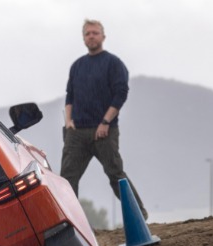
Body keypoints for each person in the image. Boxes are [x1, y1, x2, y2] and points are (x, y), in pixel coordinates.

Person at [60, 19, 148, 220]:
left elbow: (121, 94)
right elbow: (69, 96)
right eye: (87, 33)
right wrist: (68, 121)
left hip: (104, 132)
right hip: (77, 133)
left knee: (115, 175)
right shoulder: (77, 66)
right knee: (67, 179)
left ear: (103, 36)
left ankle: (139, 216)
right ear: (83, 38)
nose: (91, 36)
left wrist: (106, 122)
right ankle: (72, 221)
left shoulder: (113, 63)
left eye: (95, 33)